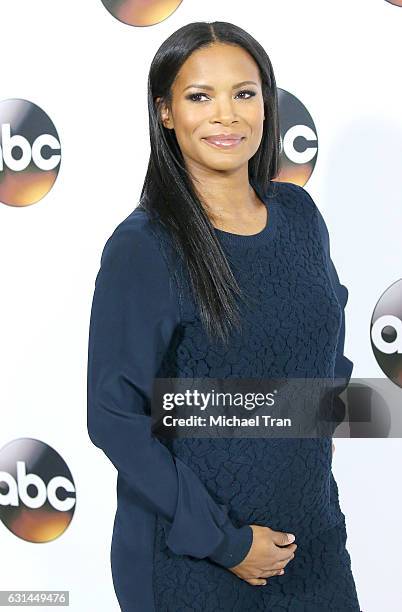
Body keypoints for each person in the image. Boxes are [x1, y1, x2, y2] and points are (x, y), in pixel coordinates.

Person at [87, 21, 361, 612]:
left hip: (310, 543)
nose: (226, 116)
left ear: (267, 103)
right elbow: (114, 416)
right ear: (165, 112)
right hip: (193, 562)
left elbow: (325, 340)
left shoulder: (299, 214)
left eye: (244, 93)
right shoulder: (145, 245)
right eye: (199, 96)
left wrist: (313, 435)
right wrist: (228, 542)